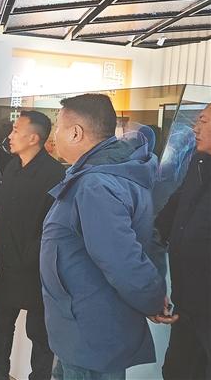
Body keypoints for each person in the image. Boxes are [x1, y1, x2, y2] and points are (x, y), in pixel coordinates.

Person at [41, 94, 165, 379]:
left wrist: (152, 299)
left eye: (58, 127)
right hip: (81, 323)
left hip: (90, 327)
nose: (54, 135)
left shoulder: (96, 184)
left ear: (76, 133)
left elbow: (122, 259)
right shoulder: (111, 172)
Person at [0, 111, 65, 380]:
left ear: (34, 138)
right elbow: (4, 209)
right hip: (8, 261)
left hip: (37, 267)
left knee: (39, 331)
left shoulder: (54, 174)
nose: (10, 136)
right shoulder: (11, 167)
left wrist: (31, 255)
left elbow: (54, 225)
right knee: (1, 321)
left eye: (16, 130)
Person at [154, 103, 210, 380]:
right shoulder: (199, 165)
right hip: (187, 303)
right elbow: (171, 214)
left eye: (204, 121)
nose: (195, 129)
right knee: (177, 371)